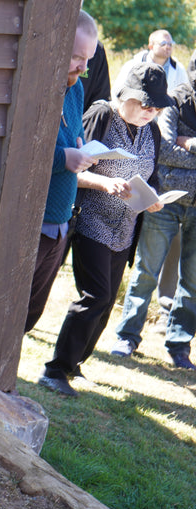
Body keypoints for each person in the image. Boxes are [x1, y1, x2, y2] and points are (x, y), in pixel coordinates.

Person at [39, 62, 172, 396]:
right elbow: (73, 167)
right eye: (145, 104)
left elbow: (151, 177)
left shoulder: (152, 131)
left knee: (107, 302)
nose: (151, 112)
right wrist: (104, 183)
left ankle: (75, 364)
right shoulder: (102, 115)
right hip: (90, 221)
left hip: (124, 231)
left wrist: (154, 198)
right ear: (125, 95)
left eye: (156, 107)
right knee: (95, 296)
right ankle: (55, 370)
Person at [110, 52, 196, 370]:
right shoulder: (174, 102)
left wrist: (189, 142)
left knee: (193, 280)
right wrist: (185, 145)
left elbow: (178, 148)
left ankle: (179, 345)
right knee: (146, 271)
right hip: (164, 202)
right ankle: (127, 336)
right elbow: (166, 150)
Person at [24, 10, 99, 333]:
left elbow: (73, 137)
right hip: (33, 222)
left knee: (31, 315)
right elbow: (23, 150)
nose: (83, 67)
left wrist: (81, 152)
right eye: (76, 57)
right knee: (8, 313)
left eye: (88, 59)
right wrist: (63, 158)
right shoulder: (36, 86)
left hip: (60, 222)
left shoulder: (77, 88)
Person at [113, 30, 189, 99]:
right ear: (151, 46)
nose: (168, 47)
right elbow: (117, 91)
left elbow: (185, 95)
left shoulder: (179, 69)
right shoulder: (133, 65)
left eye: (170, 44)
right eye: (163, 44)